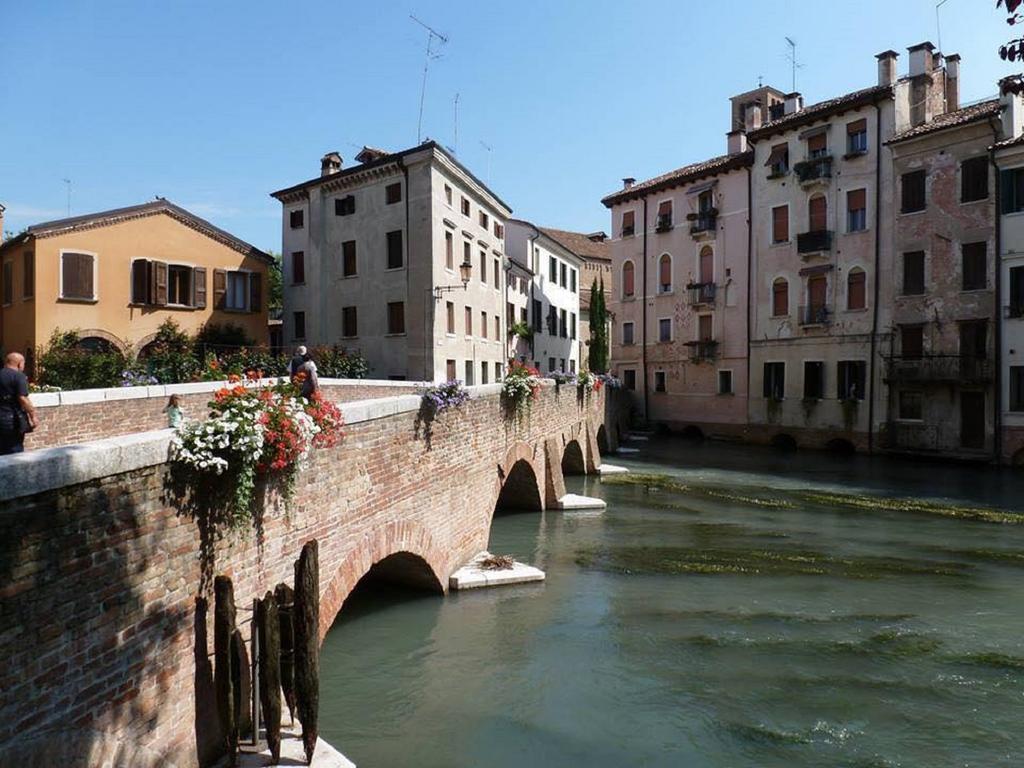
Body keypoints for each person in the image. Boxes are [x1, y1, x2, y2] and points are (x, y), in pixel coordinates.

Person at [0, 352, 38, 456]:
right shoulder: (18, 376)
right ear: (19, 363)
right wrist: (33, 416)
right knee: (14, 452)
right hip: (12, 421)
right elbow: (22, 398)